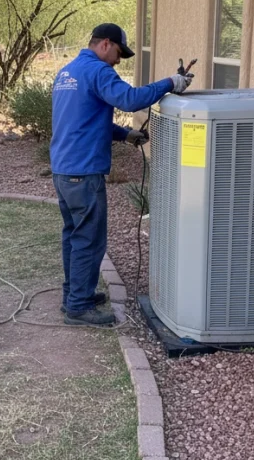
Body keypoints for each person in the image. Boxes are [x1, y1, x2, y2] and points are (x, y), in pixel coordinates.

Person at [51, 22, 193, 326]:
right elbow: (129, 99)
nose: (118, 60)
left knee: (74, 235)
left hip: (64, 169)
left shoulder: (67, 72)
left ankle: (75, 295)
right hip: (83, 170)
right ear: (104, 44)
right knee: (89, 238)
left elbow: (82, 118)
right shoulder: (99, 71)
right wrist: (171, 82)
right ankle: (79, 306)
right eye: (118, 53)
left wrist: (124, 134)